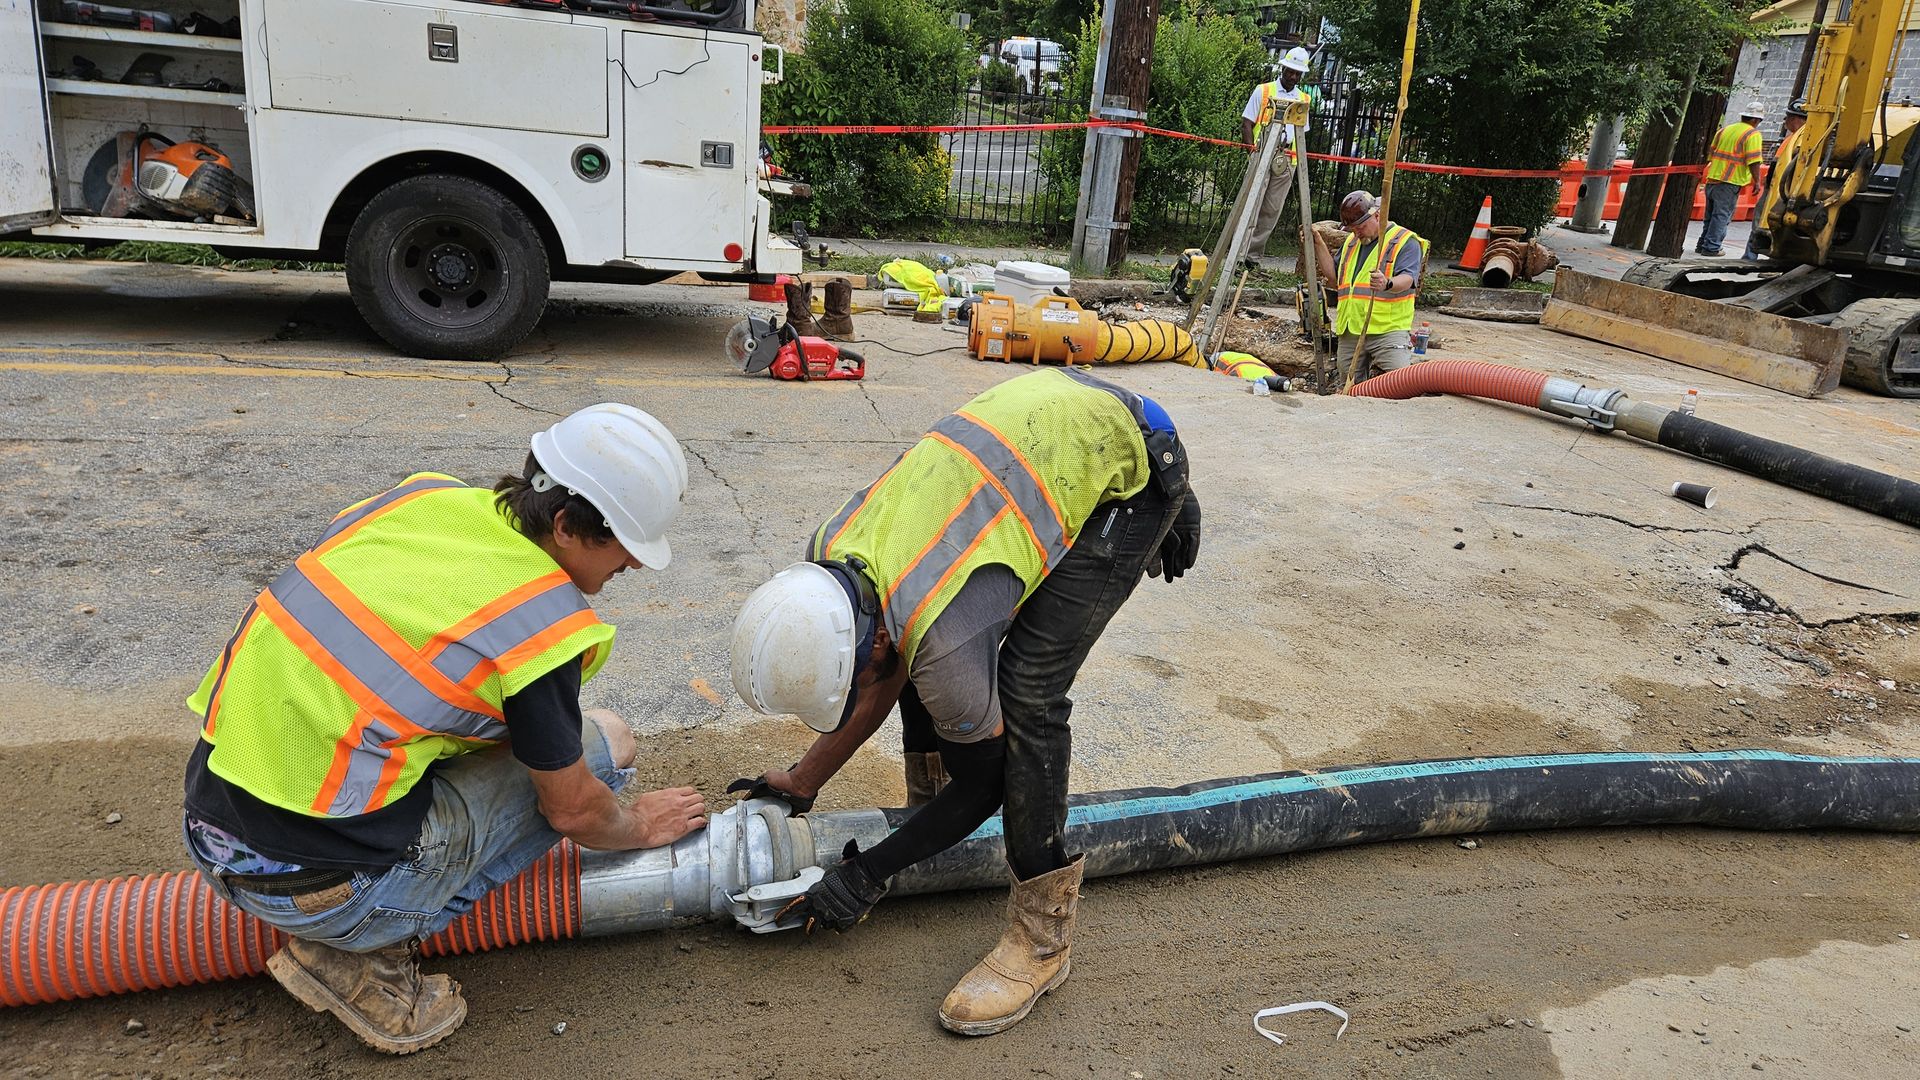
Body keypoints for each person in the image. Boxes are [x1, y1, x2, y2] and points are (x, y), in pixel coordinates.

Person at [180, 404, 708, 1054]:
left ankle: (345, 910)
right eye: (623, 551)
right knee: (606, 747)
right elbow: (573, 811)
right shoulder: (539, 623)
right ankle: (358, 956)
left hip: (209, 829)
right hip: (326, 897)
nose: (628, 569)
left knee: (527, 743)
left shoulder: (422, 500)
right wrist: (638, 826)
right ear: (567, 526)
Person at [729, 367, 1201, 1036]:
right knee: (924, 661)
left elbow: (985, 785)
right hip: (1055, 420)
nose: (858, 689)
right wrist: (804, 779)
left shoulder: (935, 636)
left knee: (1029, 692)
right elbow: (885, 668)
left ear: (868, 640)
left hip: (1121, 459)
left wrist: (868, 873)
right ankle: (933, 827)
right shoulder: (831, 555)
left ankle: (1042, 942)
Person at [1310, 189, 1425, 383]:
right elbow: (1335, 278)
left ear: (1377, 216)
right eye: (1352, 229)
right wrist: (1318, 244)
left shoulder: (1404, 240)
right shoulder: (1352, 242)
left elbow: (1408, 279)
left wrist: (1387, 283)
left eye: (1360, 227)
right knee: (1348, 384)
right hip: (1352, 329)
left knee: (1401, 382)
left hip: (1387, 329)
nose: (1356, 232)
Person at [1239, 46, 1314, 261]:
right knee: (1251, 205)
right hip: (1262, 152)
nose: (1293, 77)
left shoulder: (1304, 99)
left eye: (1297, 73)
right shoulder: (1263, 90)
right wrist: (1252, 153)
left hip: (1288, 157)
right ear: (1283, 69)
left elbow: (1301, 133)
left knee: (1272, 209)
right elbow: (1246, 123)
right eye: (1290, 71)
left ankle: (1252, 256)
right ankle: (1239, 254)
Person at [1744, 99, 1808, 262]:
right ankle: (1751, 256)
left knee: (1770, 223)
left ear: (1798, 119)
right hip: (1775, 188)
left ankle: (1764, 258)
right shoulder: (1793, 138)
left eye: (1789, 117)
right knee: (1761, 220)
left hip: (1783, 192)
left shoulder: (1802, 140)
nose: (1785, 120)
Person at [1699, 102, 1765, 257]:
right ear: (1756, 120)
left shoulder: (1724, 130)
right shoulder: (1752, 134)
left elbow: (1711, 154)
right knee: (1721, 216)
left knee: (1710, 216)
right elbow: (1754, 160)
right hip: (1729, 181)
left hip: (1713, 178)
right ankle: (1711, 247)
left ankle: (1703, 244)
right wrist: (1757, 181)